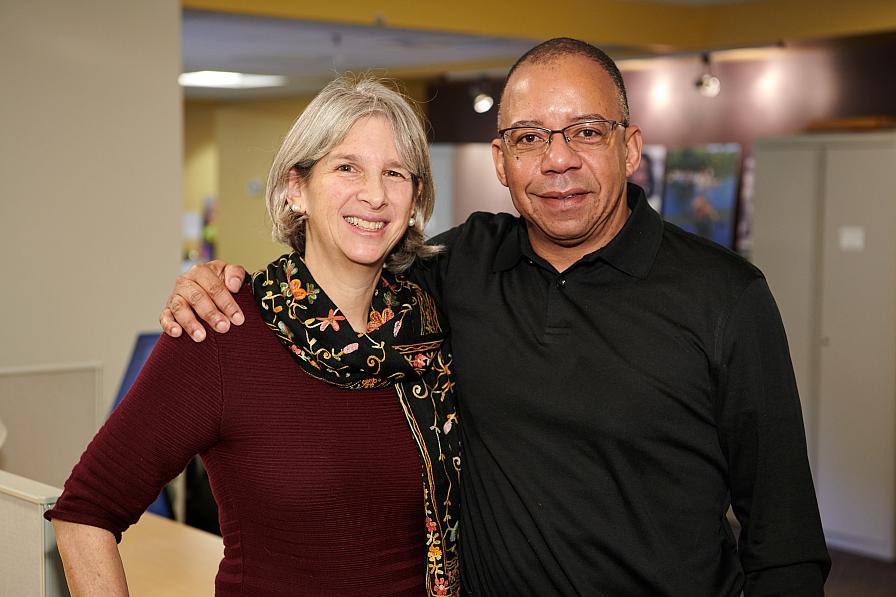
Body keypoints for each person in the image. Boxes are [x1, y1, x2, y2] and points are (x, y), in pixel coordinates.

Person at [161, 38, 830, 596]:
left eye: (586, 132)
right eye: (529, 137)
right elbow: (340, 274)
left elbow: (786, 540)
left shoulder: (725, 296)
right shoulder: (455, 270)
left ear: (630, 149)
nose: (557, 158)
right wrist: (228, 284)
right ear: (501, 162)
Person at [47, 74, 461, 597]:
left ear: (416, 197)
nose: (375, 194)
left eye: (395, 173)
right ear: (296, 189)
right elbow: (84, 514)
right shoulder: (223, 327)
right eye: (346, 167)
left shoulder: (433, 329)